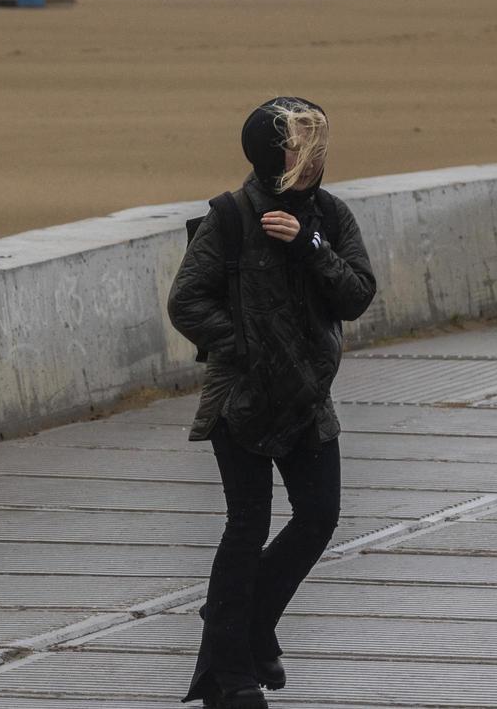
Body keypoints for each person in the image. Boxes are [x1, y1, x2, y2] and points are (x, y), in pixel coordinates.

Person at [167, 96, 377, 709]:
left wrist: (310, 244)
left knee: (319, 516)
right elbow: (186, 302)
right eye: (297, 147)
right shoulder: (230, 217)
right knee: (247, 525)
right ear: (268, 153)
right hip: (241, 400)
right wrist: (247, 347)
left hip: (309, 400)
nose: (312, 158)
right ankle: (232, 676)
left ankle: (246, 622)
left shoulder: (330, 216)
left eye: (317, 146)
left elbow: (357, 296)